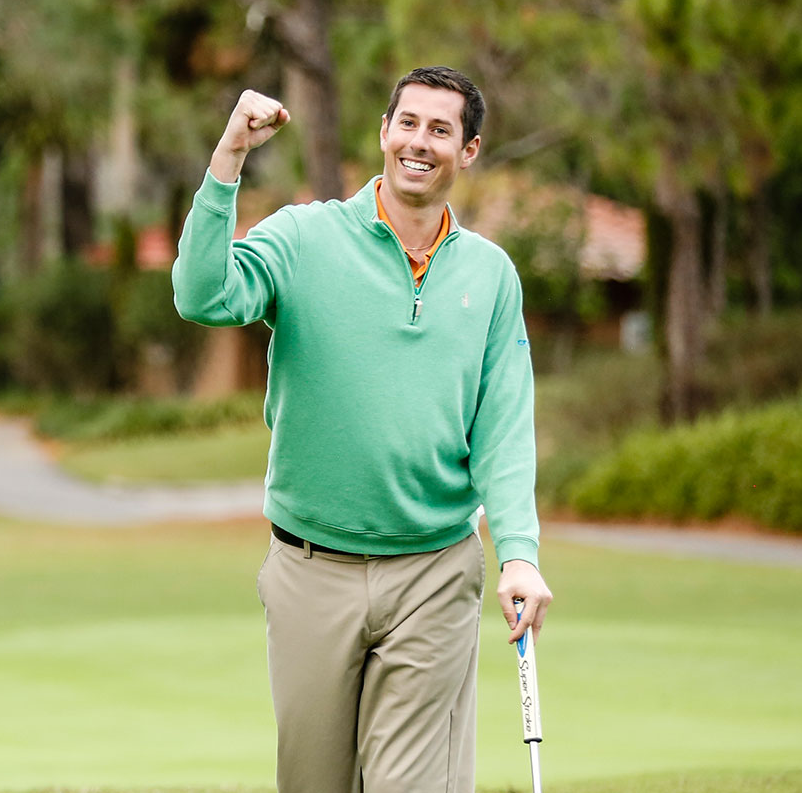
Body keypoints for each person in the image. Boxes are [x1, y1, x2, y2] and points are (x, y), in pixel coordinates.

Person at [173, 67, 553, 793]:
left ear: (467, 151)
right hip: (311, 567)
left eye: (442, 130)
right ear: (383, 133)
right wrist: (229, 158)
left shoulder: (492, 275)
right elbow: (202, 294)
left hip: (434, 570)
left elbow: (504, 426)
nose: (420, 141)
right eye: (408, 123)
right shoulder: (303, 237)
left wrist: (520, 555)